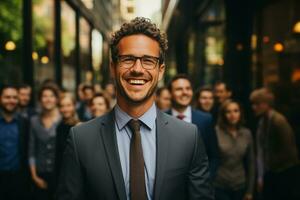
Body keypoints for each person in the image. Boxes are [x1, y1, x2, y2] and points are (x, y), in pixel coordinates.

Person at [57, 17, 214, 200]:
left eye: (148, 60)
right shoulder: (80, 139)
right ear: (113, 67)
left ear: (160, 70)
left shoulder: (189, 137)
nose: (137, 69)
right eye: (128, 59)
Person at [250, 88, 300, 200]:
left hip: (283, 173)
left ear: (266, 104)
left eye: (257, 104)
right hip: (272, 172)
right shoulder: (263, 121)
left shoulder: (278, 121)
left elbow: (289, 151)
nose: (254, 107)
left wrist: (270, 166)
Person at [166, 74, 219, 179]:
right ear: (170, 94)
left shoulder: (205, 120)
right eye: (179, 89)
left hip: (198, 186)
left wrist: (206, 179)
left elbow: (214, 156)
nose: (185, 92)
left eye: (188, 88)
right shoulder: (159, 118)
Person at [214, 100, 254, 200]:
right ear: (223, 114)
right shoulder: (215, 132)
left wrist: (250, 190)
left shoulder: (246, 133)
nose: (233, 115)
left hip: (240, 185)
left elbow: (251, 163)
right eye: (228, 112)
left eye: (236, 111)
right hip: (219, 185)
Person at [29, 85, 61, 200]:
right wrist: (34, 177)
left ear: (56, 99)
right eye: (44, 96)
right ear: (40, 100)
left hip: (60, 174)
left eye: (51, 96)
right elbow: (31, 151)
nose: (48, 99)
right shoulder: (34, 121)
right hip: (40, 174)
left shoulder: (63, 119)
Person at [0, 85, 31, 200]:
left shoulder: (25, 123)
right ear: (0, 98)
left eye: (14, 97)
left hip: (19, 179)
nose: (11, 101)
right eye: (7, 97)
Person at [55, 93, 80, 179]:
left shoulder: (79, 127)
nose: (65, 109)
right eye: (62, 106)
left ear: (74, 106)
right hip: (61, 173)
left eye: (68, 105)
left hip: (75, 175)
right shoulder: (59, 126)